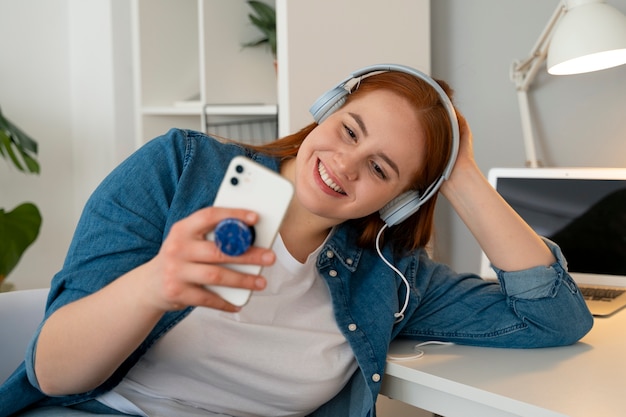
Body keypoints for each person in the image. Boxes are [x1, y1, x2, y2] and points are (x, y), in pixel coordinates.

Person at [0, 65, 593, 417]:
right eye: (348, 129)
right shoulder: (179, 170)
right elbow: (53, 374)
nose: (344, 164)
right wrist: (154, 285)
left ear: (401, 200)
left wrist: (459, 175)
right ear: (324, 110)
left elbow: (555, 318)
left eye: (382, 169)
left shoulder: (388, 276)